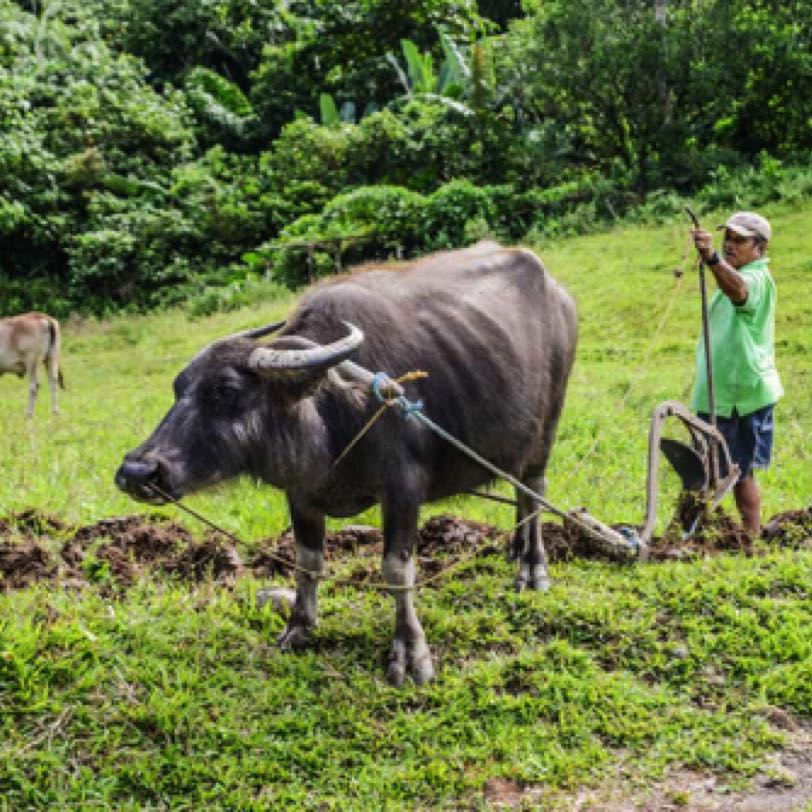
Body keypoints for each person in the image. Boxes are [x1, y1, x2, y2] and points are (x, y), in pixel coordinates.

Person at [690, 210, 783, 536]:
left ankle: (751, 538)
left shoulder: (757, 280)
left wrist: (713, 258)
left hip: (743, 395)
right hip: (717, 392)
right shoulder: (729, 274)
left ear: (760, 248)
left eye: (740, 240)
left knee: (740, 472)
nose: (731, 245)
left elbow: (739, 291)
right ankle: (696, 533)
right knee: (700, 469)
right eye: (727, 238)